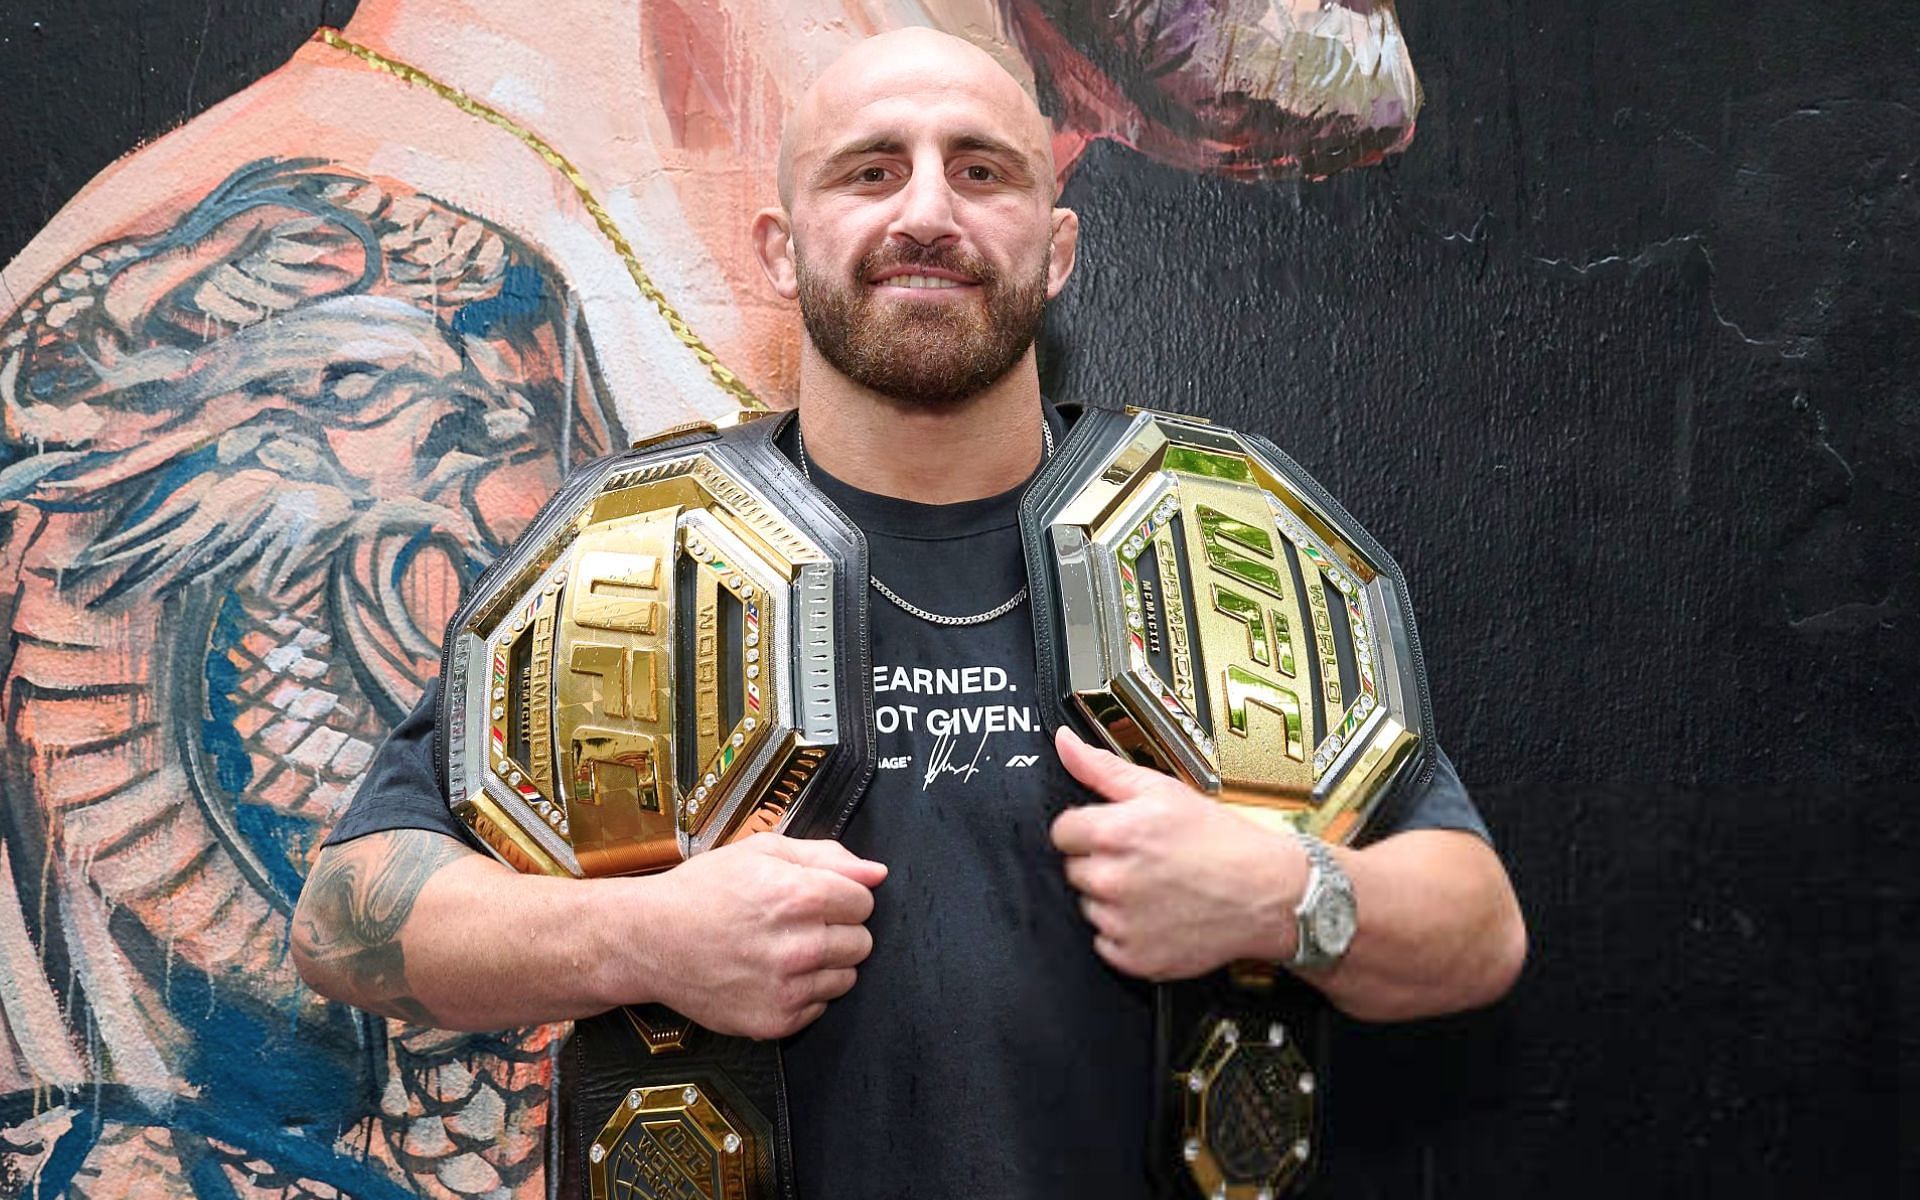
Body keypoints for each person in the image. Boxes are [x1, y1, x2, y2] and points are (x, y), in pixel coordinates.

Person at [292, 27, 1526, 1198]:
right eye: (869, 171)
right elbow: (344, 923)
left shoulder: (1221, 545)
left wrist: (1275, 894)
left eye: (980, 170)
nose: (925, 212)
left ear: (1058, 248)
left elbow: (1476, 931)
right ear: (780, 247)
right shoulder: (629, 562)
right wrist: (635, 937)